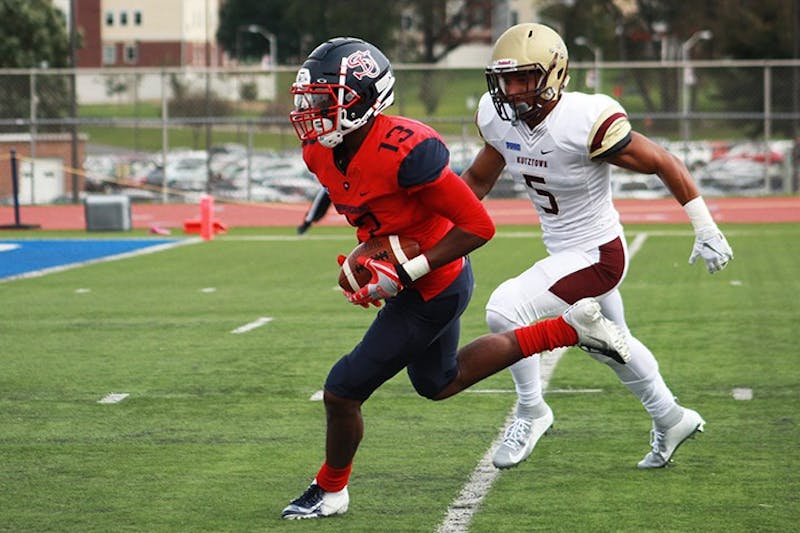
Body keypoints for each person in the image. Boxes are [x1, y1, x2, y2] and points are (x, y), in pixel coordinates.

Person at [281, 36, 630, 520]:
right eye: (310, 97)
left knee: (342, 390)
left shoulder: (406, 150)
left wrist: (404, 269)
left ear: (364, 99)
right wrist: (369, 251)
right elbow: (378, 216)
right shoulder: (319, 150)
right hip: (420, 275)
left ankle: (331, 489)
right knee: (438, 382)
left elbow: (478, 226)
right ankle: (570, 329)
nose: (313, 109)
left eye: (326, 98)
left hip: (435, 283)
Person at [459, 23, 734, 470]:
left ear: (554, 75)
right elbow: (477, 179)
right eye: (506, 79)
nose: (512, 90)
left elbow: (663, 160)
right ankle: (671, 416)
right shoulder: (497, 117)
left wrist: (704, 225)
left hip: (598, 256)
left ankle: (532, 411)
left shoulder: (582, 121)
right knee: (613, 345)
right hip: (565, 252)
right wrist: (432, 225)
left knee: (505, 309)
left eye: (524, 78)